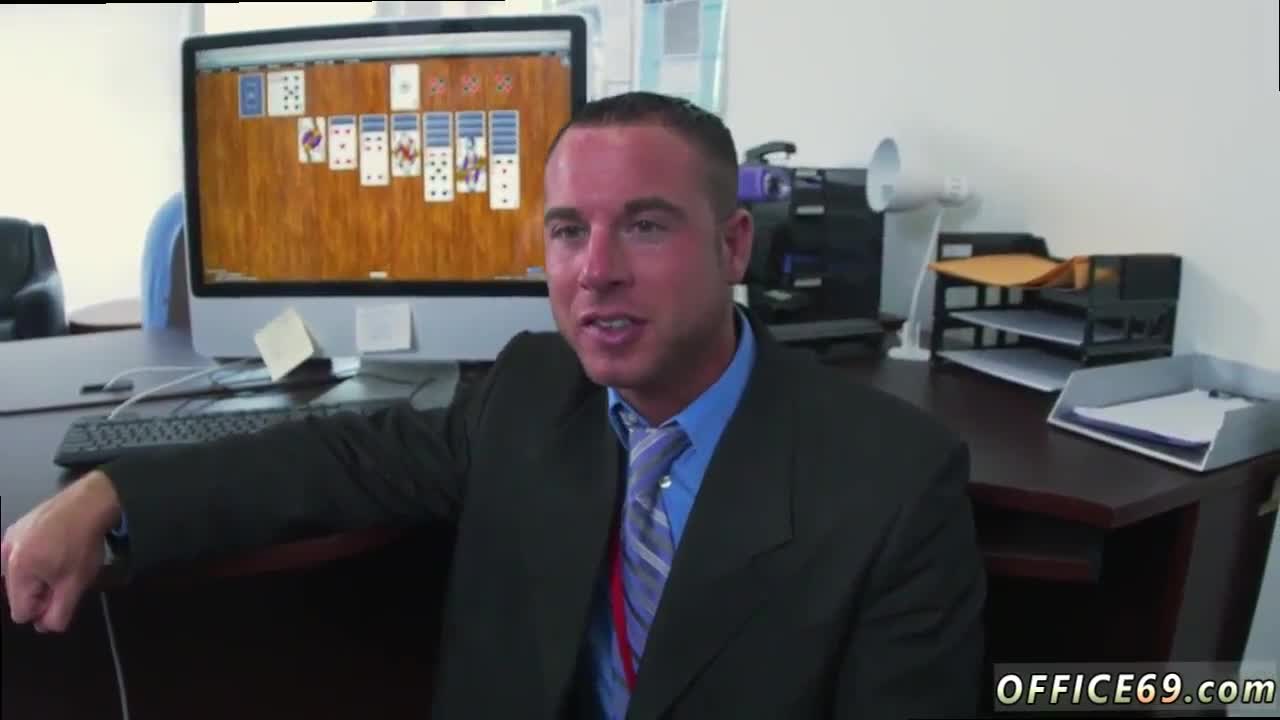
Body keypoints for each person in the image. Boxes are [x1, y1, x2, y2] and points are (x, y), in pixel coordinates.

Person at [2, 91, 986, 718]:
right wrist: (109, 494)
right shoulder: (530, 390)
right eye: (567, 231)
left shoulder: (891, 484)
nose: (595, 270)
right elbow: (333, 456)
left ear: (733, 247)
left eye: (645, 226)